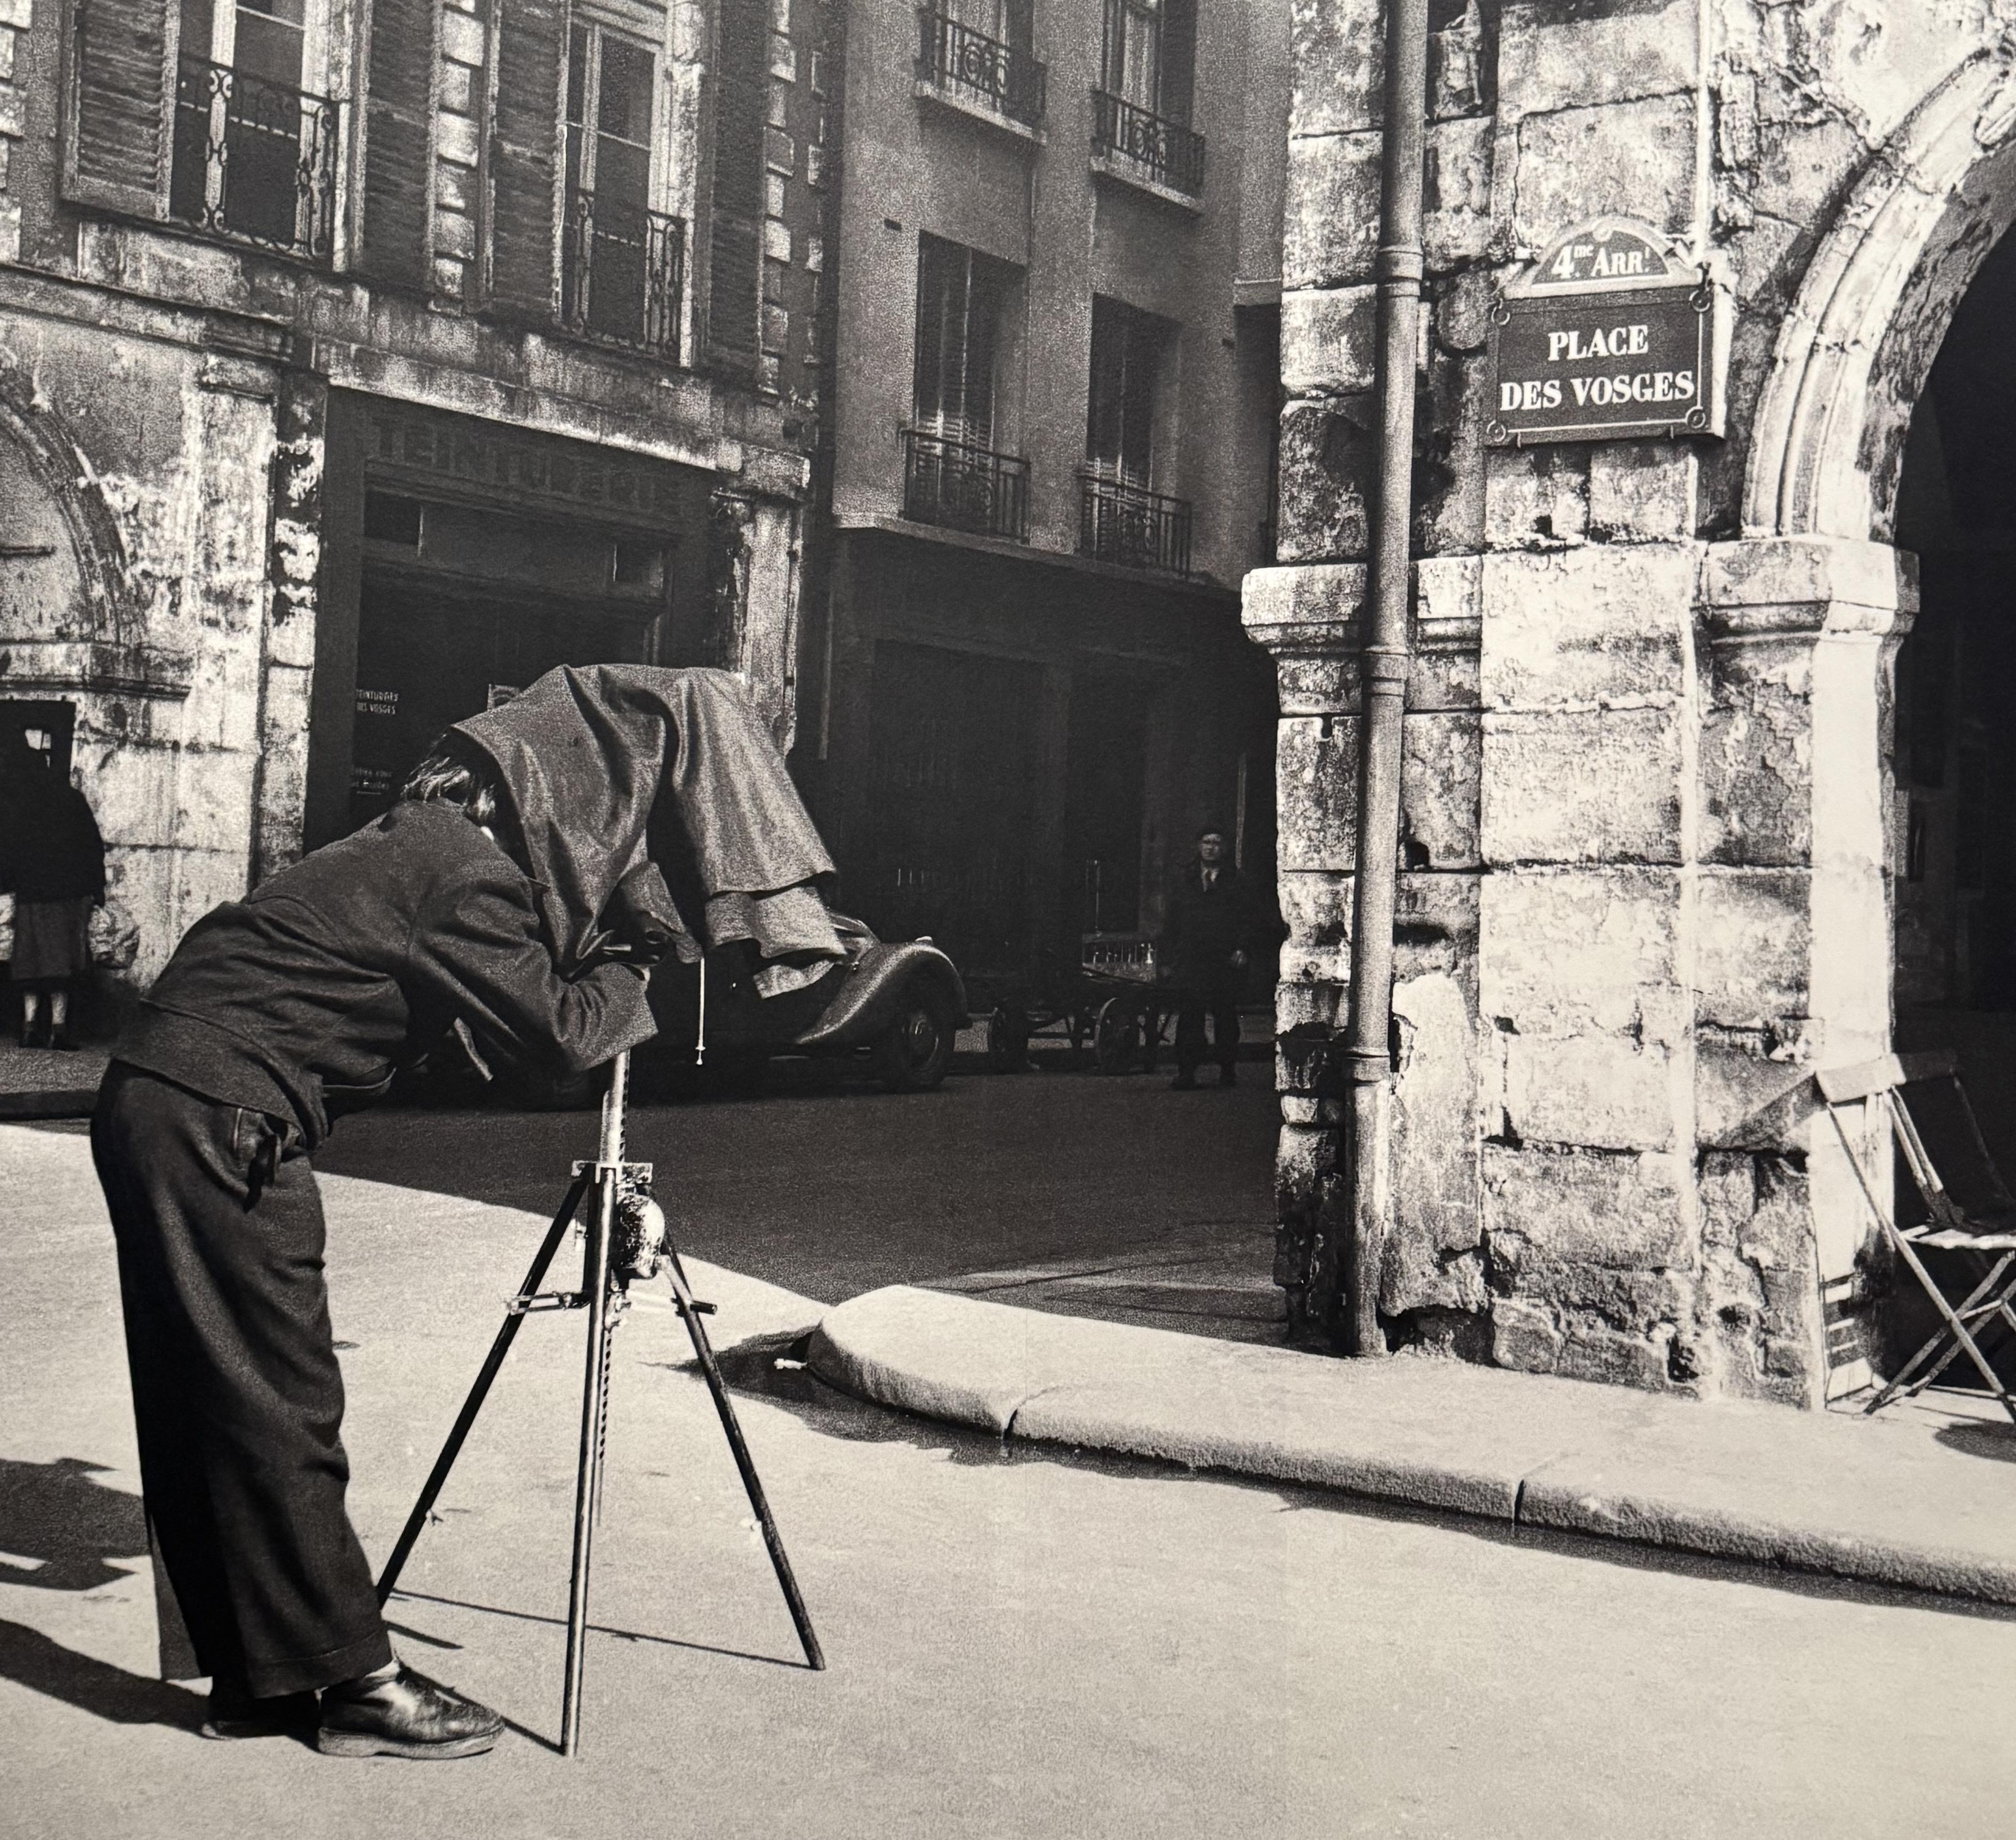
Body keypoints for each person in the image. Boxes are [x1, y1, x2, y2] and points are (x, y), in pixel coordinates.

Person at [90, 664, 839, 1760]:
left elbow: (505, 1040)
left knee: (214, 1395)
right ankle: (355, 1684)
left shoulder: (409, 846)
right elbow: (573, 1035)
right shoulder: (466, 877)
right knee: (281, 1396)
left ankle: (263, 1679)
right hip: (224, 1109)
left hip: (167, 1092)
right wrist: (641, 932)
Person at [0, 732, 106, 1051]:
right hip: (70, 894)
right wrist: (96, 889)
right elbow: (92, 846)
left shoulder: (17, 806)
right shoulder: (72, 799)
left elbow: (8, 850)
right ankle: (59, 1029)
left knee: (31, 960)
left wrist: (8, 885)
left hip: (33, 892)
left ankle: (30, 1026)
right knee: (64, 960)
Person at [1163, 827, 1250, 1090]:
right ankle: (1187, 1072)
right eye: (1206, 842)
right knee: (1190, 1017)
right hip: (1192, 959)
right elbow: (1172, 921)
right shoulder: (1185, 879)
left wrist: (1242, 948)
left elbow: (1248, 918)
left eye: (1217, 842)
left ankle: (1227, 1070)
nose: (1211, 848)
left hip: (1224, 960)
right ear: (1198, 846)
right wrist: (1168, 959)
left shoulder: (1237, 880)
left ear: (1224, 848)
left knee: (1225, 1017)